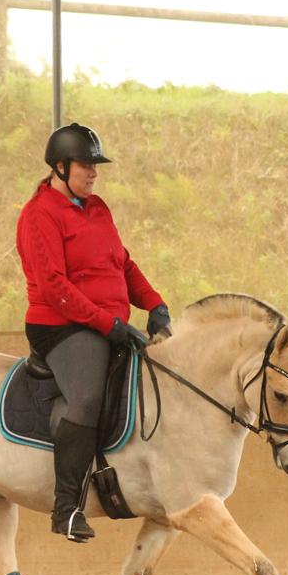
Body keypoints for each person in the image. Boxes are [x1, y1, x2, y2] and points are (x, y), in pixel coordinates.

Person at [16, 123, 172, 543]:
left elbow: (122, 264)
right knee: (86, 396)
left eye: (95, 166)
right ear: (61, 167)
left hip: (108, 322)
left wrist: (154, 304)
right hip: (60, 326)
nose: (94, 173)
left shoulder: (97, 208)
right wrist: (111, 325)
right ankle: (66, 508)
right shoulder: (38, 214)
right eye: (86, 166)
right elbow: (54, 286)